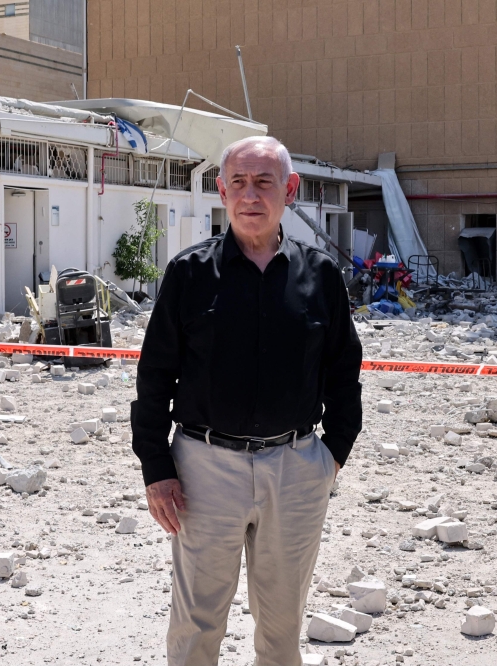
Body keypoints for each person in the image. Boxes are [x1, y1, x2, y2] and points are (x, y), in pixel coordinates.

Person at [131, 135, 363, 666]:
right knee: (196, 625)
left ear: (290, 189)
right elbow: (154, 377)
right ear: (221, 191)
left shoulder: (321, 276)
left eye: (264, 182)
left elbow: (343, 371)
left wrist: (332, 456)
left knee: (282, 628)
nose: (250, 195)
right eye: (238, 182)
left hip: (296, 469)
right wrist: (156, 468)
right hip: (204, 470)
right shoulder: (189, 274)